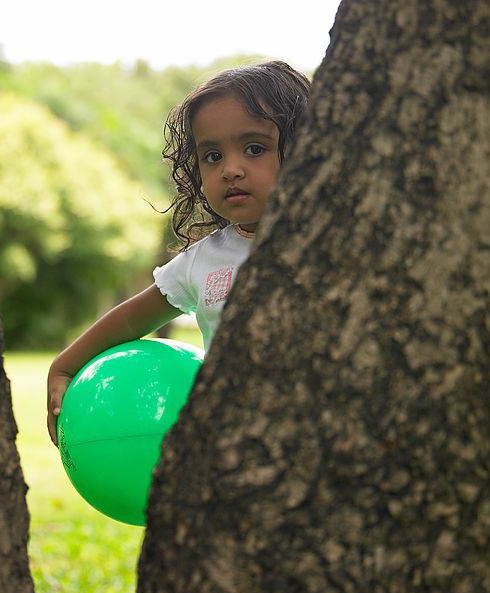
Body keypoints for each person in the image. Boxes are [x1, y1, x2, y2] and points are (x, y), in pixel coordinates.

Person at [47, 61, 311, 445]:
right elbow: (127, 321)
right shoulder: (202, 261)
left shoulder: (332, 243)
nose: (230, 170)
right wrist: (64, 367)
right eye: (213, 156)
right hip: (234, 450)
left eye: (255, 149)